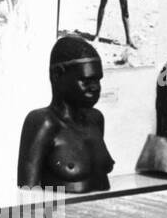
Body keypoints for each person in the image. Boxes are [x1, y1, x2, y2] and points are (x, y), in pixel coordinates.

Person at [17, 36, 114, 193]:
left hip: (102, 213)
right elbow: (27, 192)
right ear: (57, 75)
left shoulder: (96, 119)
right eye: (86, 80)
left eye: (98, 80)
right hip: (63, 215)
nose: (95, 88)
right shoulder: (44, 123)